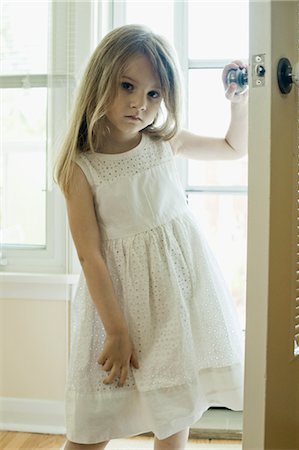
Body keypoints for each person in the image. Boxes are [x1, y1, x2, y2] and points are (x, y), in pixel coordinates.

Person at [55, 24, 248, 450]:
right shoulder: (81, 167)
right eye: (127, 86)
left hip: (175, 301)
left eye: (154, 94)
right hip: (116, 307)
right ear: (101, 80)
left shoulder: (164, 143)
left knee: (174, 418)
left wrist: (237, 103)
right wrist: (116, 330)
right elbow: (90, 256)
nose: (139, 103)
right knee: (93, 425)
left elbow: (234, 148)